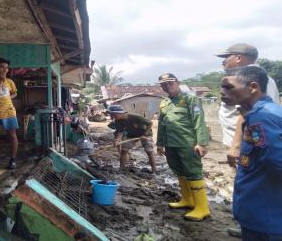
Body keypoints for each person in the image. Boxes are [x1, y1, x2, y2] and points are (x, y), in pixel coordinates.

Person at [215, 43, 280, 237]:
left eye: (229, 88)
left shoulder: (263, 118)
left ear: (252, 87)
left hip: (266, 219)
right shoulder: (254, 115)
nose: (222, 92)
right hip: (257, 212)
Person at [156, 73, 210, 221]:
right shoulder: (164, 103)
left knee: (193, 172)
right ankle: (188, 200)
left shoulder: (190, 99)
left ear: (178, 82)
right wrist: (160, 143)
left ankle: (202, 208)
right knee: (179, 171)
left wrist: (202, 143)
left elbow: (199, 121)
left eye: (170, 83)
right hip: (171, 144)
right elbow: (162, 124)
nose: (167, 86)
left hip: (188, 144)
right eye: (163, 85)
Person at [106, 105, 157, 173]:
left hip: (145, 135)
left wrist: (145, 134)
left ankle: (154, 171)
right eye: (111, 115)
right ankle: (122, 169)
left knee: (149, 151)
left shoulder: (135, 117)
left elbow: (150, 123)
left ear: (120, 113)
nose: (112, 117)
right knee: (124, 150)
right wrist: (117, 140)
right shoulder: (118, 121)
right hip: (131, 135)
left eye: (113, 115)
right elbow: (120, 131)